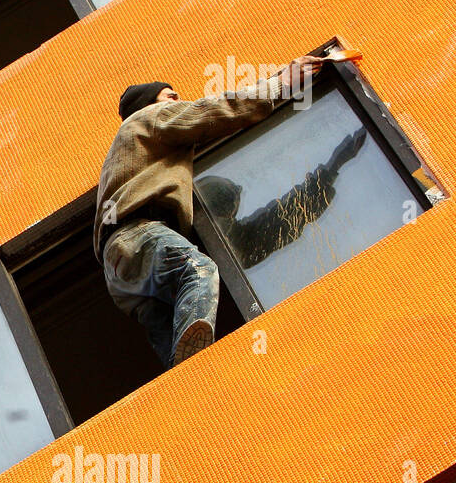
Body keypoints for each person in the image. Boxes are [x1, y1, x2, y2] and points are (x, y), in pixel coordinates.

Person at [94, 56, 325, 368]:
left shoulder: (123, 155)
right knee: (198, 270)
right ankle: (197, 365)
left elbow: (262, 231)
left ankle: (189, 379)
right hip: (140, 234)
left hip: (119, 271)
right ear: (152, 103)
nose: (178, 99)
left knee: (173, 343)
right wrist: (281, 84)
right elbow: (215, 111)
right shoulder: (148, 118)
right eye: (170, 95)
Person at [196, 128, 367, 268]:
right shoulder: (237, 246)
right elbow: (290, 215)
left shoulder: (236, 245)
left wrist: (334, 166)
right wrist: (334, 166)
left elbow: (289, 214)